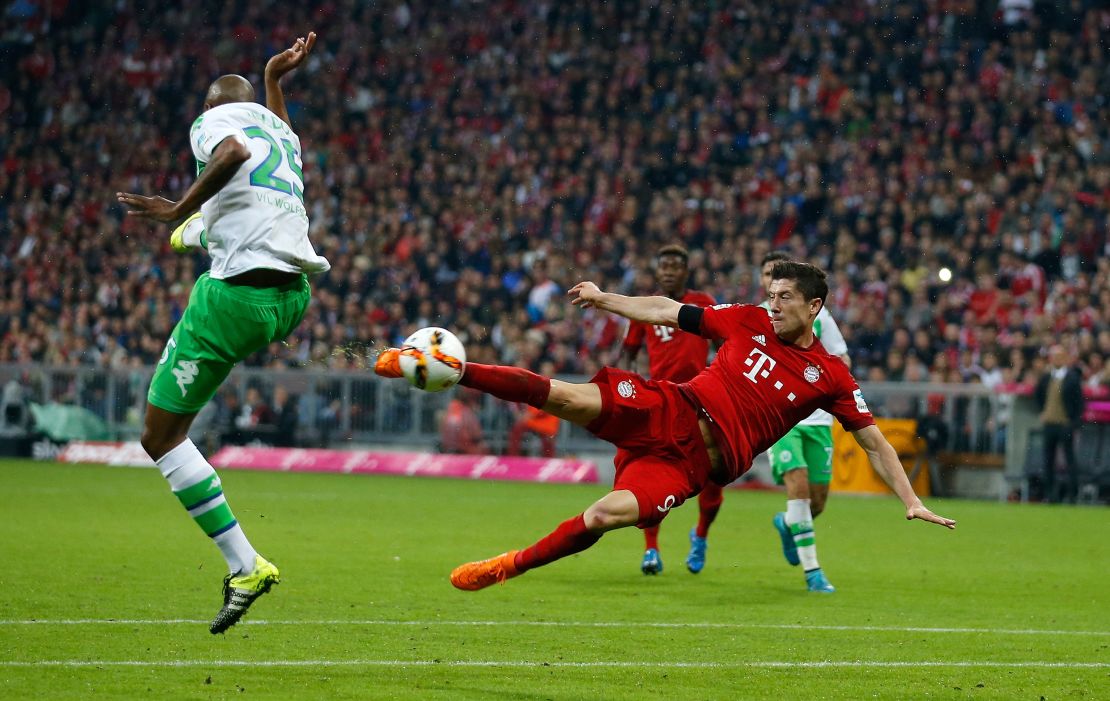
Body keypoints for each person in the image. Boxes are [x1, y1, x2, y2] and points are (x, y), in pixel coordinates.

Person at [374, 262, 955, 592]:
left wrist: (908, 499)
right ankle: (452, 369)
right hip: (670, 406)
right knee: (564, 397)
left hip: (693, 464)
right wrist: (605, 299)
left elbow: (873, 440)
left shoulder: (829, 376)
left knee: (605, 515)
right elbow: (663, 309)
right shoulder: (744, 320)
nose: (773, 305)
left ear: (816, 306)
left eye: (785, 298)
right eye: (771, 294)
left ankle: (507, 565)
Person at [116, 32, 329, 633]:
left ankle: (246, 565)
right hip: (292, 296)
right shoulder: (283, 134)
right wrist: (274, 82)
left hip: (237, 299)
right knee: (230, 217)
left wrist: (177, 208)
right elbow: (261, 140)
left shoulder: (214, 121)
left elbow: (233, 150)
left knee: (159, 437)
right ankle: (205, 233)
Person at [620, 244, 717, 576]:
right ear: (657, 271)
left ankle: (701, 535)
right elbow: (628, 352)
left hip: (702, 398)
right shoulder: (646, 306)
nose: (669, 271)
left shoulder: (703, 302)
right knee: (651, 469)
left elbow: (724, 343)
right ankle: (651, 549)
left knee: (716, 471)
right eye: (664, 266)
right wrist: (628, 386)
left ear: (686, 271)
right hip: (662, 399)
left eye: (676, 265)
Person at [757, 252, 851, 592]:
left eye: (779, 279)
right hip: (780, 418)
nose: (772, 283)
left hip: (818, 418)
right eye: (767, 276)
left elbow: (842, 356)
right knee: (796, 485)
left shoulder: (820, 315)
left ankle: (786, 523)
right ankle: (814, 573)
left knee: (817, 502)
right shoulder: (759, 318)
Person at [1033, 345, 1085, 503]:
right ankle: (1050, 494)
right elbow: (1038, 396)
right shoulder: (1046, 377)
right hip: (1049, 423)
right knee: (1048, 460)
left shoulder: (1072, 378)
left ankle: (1072, 494)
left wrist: (1073, 422)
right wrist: (1043, 412)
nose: (1056, 359)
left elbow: (1079, 403)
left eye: (1060, 356)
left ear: (1065, 358)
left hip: (1065, 424)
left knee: (1069, 460)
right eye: (1054, 356)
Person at [440, 387, 489, 455]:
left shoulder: (451, 409)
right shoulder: (466, 413)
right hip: (467, 455)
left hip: (450, 453)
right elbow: (476, 436)